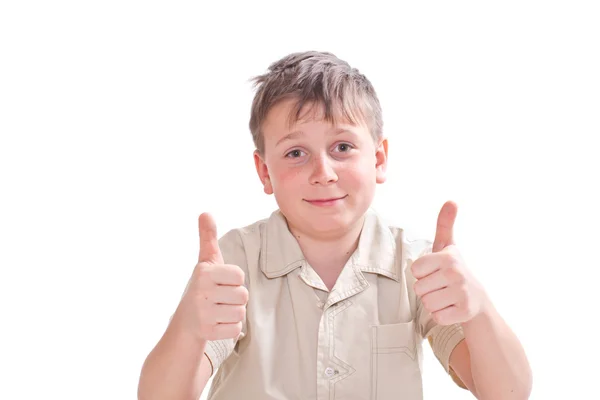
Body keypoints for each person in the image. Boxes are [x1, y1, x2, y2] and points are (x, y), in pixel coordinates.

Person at [137, 51, 532, 400]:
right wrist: (189, 327)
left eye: (342, 147)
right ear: (264, 171)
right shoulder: (235, 262)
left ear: (378, 159)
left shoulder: (418, 264)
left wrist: (478, 308)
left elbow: (506, 392)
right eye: (296, 153)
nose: (323, 173)